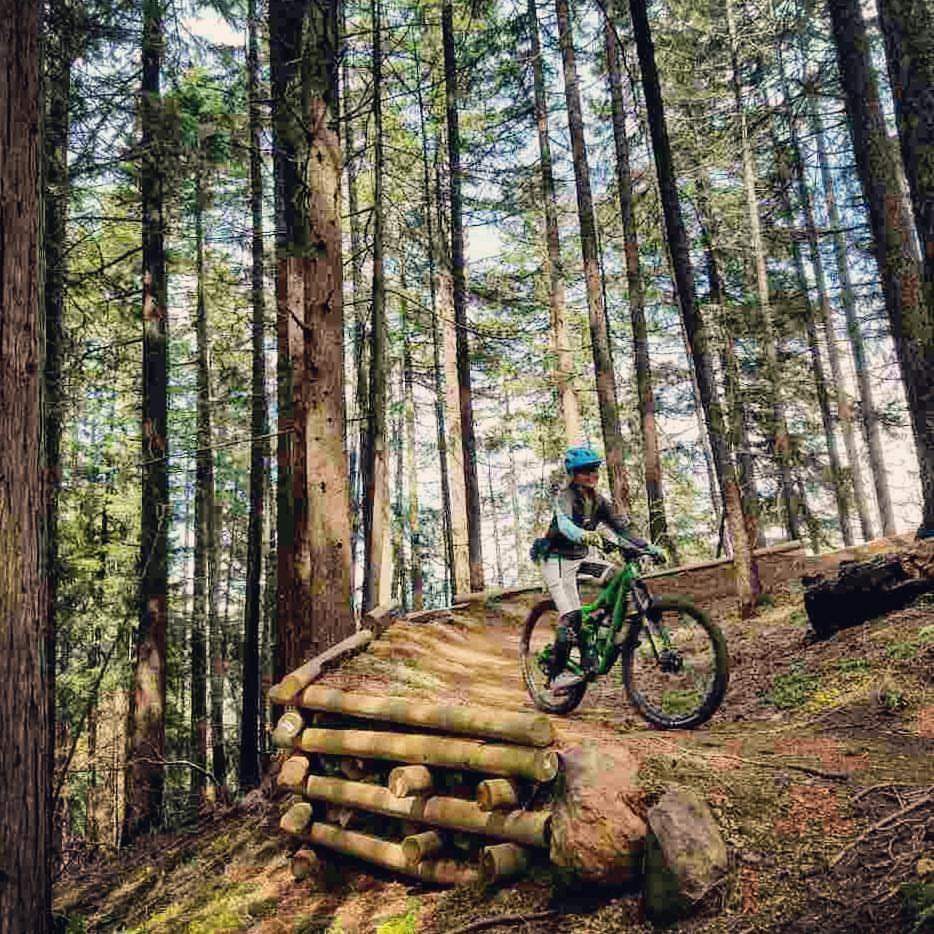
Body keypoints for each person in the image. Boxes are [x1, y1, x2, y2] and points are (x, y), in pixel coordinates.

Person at [530, 445, 664, 691]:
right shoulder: (565, 497)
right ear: (573, 474)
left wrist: (649, 547)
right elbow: (567, 527)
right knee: (571, 616)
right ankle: (556, 674)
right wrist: (584, 535)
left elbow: (622, 529)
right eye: (584, 471)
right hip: (556, 561)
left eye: (594, 470)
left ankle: (604, 634)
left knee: (619, 579)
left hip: (580, 559)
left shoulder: (599, 501)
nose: (591, 475)